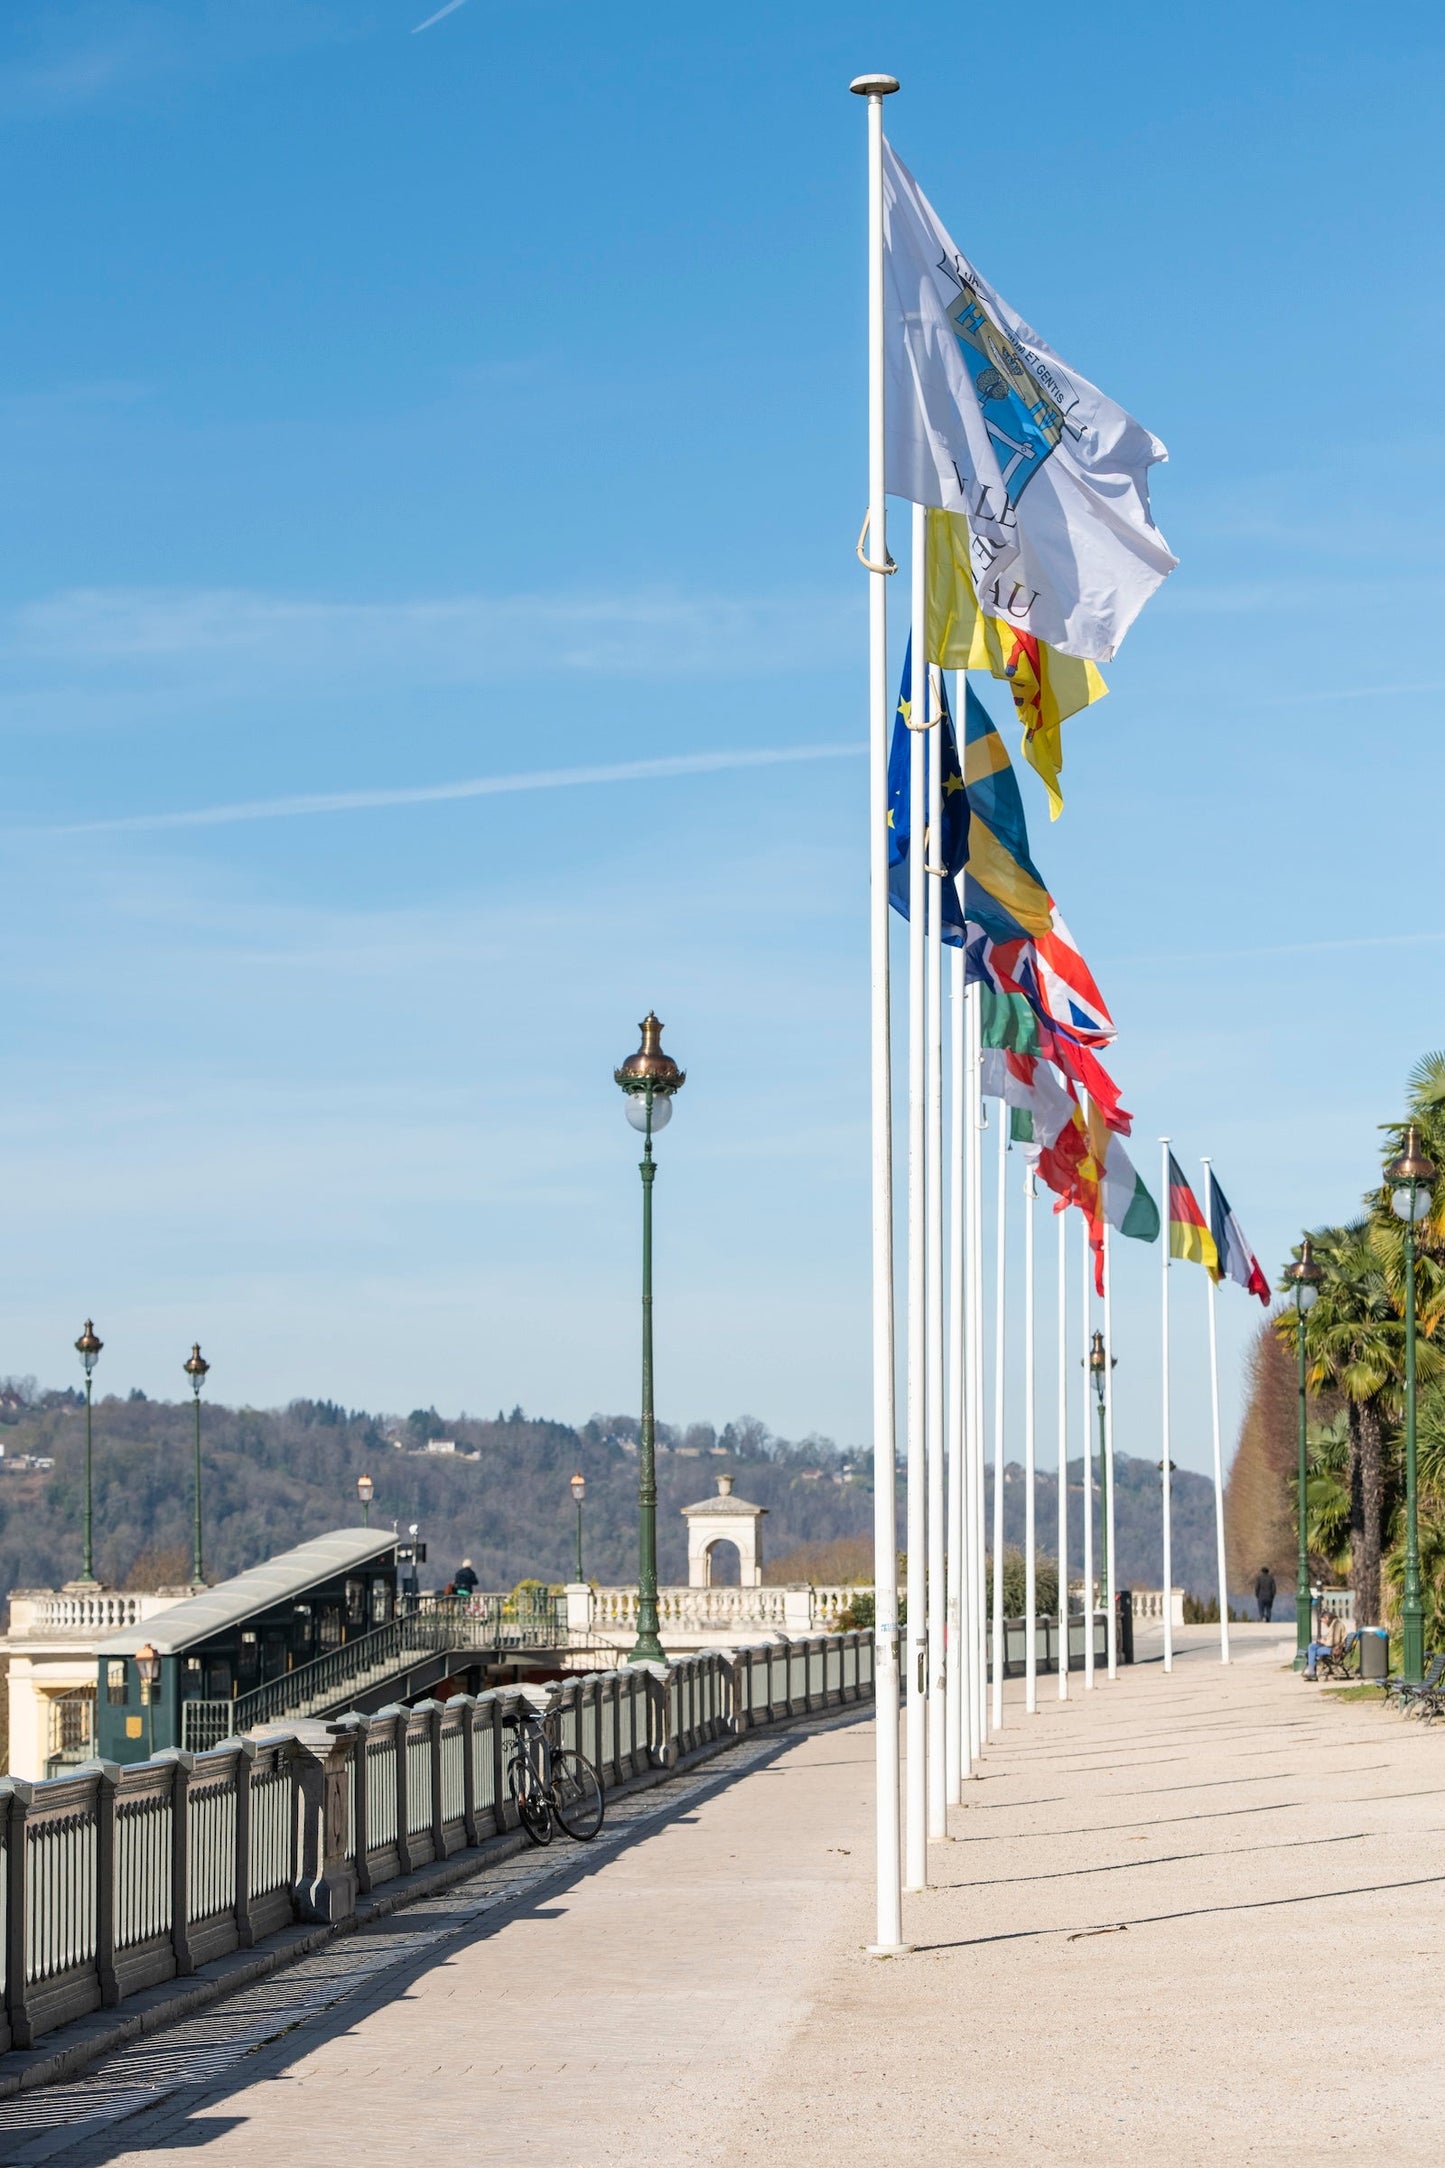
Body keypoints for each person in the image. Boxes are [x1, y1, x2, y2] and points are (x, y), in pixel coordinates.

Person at [1304, 1609, 1346, 1679]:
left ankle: (1311, 1671)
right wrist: (1323, 1640)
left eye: (1323, 1621)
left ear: (1327, 1618)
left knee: (1312, 1650)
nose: (1324, 1623)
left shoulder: (1337, 1625)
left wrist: (1324, 1642)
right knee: (1311, 1647)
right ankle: (1311, 1670)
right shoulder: (1334, 1624)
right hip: (1332, 1647)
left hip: (1334, 1649)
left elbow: (1333, 1642)